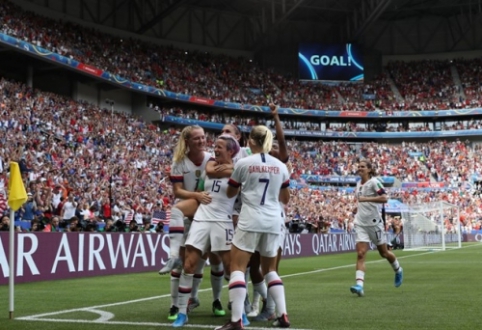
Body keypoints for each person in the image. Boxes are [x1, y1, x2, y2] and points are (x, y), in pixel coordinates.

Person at [216, 125, 291, 330]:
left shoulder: (244, 163)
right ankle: (283, 315)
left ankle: (236, 321)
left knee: (237, 268)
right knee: (270, 270)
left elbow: (231, 193)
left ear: (250, 141)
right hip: (273, 220)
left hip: (250, 218)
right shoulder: (281, 166)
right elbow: (285, 198)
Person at [172, 135, 240, 327]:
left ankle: (238, 311)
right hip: (202, 219)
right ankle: (182, 312)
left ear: (230, 151)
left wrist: (231, 169)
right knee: (189, 265)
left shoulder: (239, 169)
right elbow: (201, 190)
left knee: (230, 269)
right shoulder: (209, 168)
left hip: (223, 221)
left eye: (219, 147)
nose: (215, 150)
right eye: (215, 147)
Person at [160, 125, 212, 321]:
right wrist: (196, 195)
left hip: (205, 213)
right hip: (187, 212)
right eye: (197, 138)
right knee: (180, 263)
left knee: (199, 262)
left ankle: (194, 298)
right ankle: (174, 305)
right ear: (187, 141)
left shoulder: (211, 159)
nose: (201, 141)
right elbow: (177, 192)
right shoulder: (179, 163)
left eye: (203, 137)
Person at [349, 160, 404, 297]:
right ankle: (359, 286)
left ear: (369, 169)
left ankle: (398, 270)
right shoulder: (358, 184)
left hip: (374, 224)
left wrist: (365, 199)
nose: (360, 168)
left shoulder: (374, 182)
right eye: (359, 166)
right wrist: (357, 207)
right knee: (361, 253)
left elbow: (384, 197)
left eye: (363, 167)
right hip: (361, 223)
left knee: (384, 253)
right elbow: (361, 200)